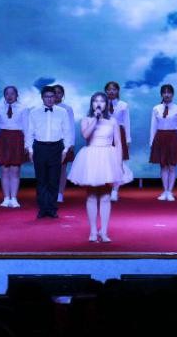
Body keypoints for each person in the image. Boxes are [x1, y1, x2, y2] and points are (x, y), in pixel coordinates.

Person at [68, 92, 131, 242]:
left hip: (108, 157)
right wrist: (95, 120)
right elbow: (85, 135)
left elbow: (118, 143)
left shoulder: (113, 121)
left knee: (106, 196)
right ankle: (93, 231)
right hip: (91, 157)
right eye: (95, 101)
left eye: (102, 101)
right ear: (92, 104)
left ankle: (104, 231)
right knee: (91, 195)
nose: (99, 104)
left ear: (106, 104)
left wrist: (119, 164)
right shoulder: (86, 119)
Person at [25, 85, 73, 218]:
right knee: (41, 179)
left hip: (56, 147)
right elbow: (30, 131)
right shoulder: (34, 112)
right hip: (39, 147)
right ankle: (42, 208)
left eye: (52, 96)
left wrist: (66, 149)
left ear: (55, 97)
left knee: (53, 179)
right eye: (46, 96)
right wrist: (29, 149)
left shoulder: (62, 112)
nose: (50, 99)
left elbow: (67, 131)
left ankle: (52, 208)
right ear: (42, 98)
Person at [0, 85, 28, 208]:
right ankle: (6, 198)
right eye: (7, 93)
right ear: (4, 95)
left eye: (12, 93)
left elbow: (27, 127)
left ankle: (14, 198)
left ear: (17, 95)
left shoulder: (23, 108)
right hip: (3, 138)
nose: (10, 96)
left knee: (15, 170)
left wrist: (27, 144)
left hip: (17, 138)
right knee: (4, 170)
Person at [149, 84, 177, 201]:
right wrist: (151, 142)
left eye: (169, 92)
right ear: (161, 94)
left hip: (173, 138)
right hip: (160, 137)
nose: (167, 95)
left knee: (172, 167)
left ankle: (170, 191)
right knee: (163, 166)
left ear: (172, 94)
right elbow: (153, 126)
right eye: (164, 92)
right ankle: (165, 191)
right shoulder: (156, 108)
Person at [105, 81, 131, 201]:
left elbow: (126, 123)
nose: (111, 91)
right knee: (105, 161)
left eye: (114, 89)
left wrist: (128, 139)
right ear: (106, 91)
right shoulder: (101, 103)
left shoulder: (123, 105)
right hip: (105, 134)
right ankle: (106, 188)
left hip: (119, 134)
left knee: (118, 162)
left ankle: (115, 190)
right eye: (109, 89)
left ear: (118, 91)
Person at [53, 84, 77, 204]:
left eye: (59, 92)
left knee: (62, 169)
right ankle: (50, 192)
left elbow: (71, 126)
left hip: (63, 141)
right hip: (48, 141)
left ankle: (60, 193)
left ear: (63, 95)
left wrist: (71, 142)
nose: (57, 95)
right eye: (54, 92)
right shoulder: (46, 107)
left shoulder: (67, 108)